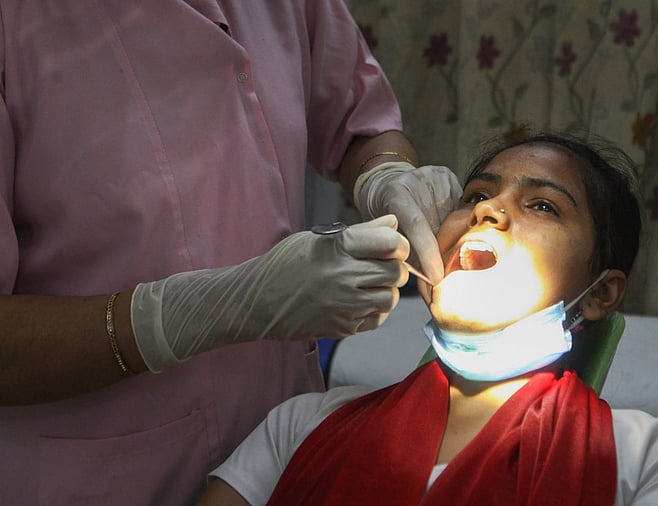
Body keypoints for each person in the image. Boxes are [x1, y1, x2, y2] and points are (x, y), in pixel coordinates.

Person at [0, 2, 461, 504]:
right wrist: (182, 317)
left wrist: (386, 173)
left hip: (275, 435)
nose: (492, 215)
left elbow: (362, 124)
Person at [200, 132, 658, 505]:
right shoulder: (301, 425)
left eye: (543, 205)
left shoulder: (657, 460)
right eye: (477, 194)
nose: (488, 210)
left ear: (601, 294)